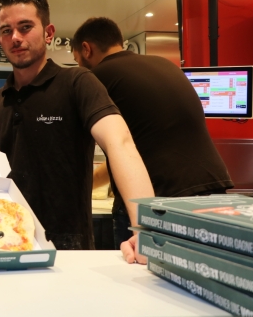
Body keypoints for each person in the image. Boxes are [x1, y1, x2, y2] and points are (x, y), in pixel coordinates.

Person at [0, 0, 154, 259]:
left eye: (25, 27)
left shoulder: (77, 83)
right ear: (0, 39)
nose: (15, 37)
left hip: (69, 251)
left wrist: (145, 229)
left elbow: (119, 142)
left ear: (48, 33)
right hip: (1, 244)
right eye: (7, 30)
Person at [71, 17, 233, 257]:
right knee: (204, 276)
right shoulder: (165, 65)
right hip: (213, 191)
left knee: (141, 279)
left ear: (86, 49)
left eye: (77, 60)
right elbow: (130, 150)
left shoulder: (96, 78)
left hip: (157, 199)